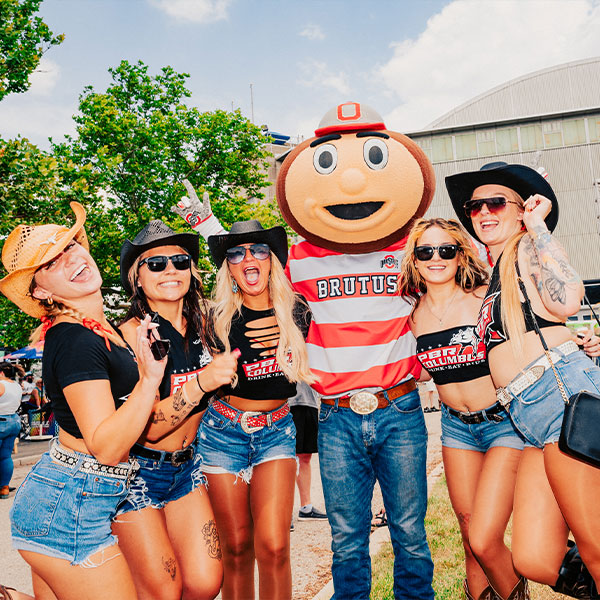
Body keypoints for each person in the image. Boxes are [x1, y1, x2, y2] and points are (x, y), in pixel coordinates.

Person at [173, 102, 437, 600]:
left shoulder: (410, 249)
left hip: (399, 407)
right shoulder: (300, 260)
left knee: (409, 530)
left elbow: (450, 289)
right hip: (335, 414)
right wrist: (207, 225)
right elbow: (249, 264)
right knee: (347, 538)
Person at [446, 161, 600, 596]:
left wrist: (539, 227)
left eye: (496, 202)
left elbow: (568, 298)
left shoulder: (529, 249)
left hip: (562, 400)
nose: (483, 212)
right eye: (474, 206)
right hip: (530, 421)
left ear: (522, 208)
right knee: (533, 557)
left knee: (594, 546)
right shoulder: (496, 273)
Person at [0, 202, 166, 600]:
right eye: (52, 262)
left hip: (81, 497)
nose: (71, 258)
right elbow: (107, 447)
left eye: (70, 246)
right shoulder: (75, 339)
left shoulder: (96, 328)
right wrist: (149, 379)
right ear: (40, 290)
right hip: (68, 508)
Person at [399, 218, 528, 600]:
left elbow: (533, 331)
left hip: (503, 422)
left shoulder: (484, 298)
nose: (436, 258)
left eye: (446, 250)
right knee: (468, 532)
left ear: (460, 255)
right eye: (426, 251)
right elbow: (418, 370)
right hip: (456, 429)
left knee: (485, 537)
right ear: (415, 260)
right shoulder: (410, 315)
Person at [113, 220, 238, 600]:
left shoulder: (207, 325)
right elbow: (147, 428)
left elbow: (250, 279)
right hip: (134, 475)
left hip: (187, 469)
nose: (171, 269)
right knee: (161, 591)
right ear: (137, 278)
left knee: (204, 583)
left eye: (181, 261)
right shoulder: (129, 336)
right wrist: (204, 382)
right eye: (156, 264)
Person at [197, 219, 314, 600]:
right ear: (229, 267)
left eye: (258, 250)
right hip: (222, 434)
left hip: (277, 431)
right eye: (236, 253)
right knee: (235, 548)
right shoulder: (214, 318)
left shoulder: (297, 311)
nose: (248, 258)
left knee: (275, 546)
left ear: (272, 261)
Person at [288, 382, 327, 524]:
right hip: (287, 403)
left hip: (309, 401)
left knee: (305, 456)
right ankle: (284, 512)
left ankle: (306, 507)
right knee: (287, 458)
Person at [0, 362, 24, 500]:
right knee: (5, 456)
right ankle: (4, 488)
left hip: (1, 420)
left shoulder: (1, 384)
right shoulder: (16, 386)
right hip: (14, 421)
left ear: (1, 373)